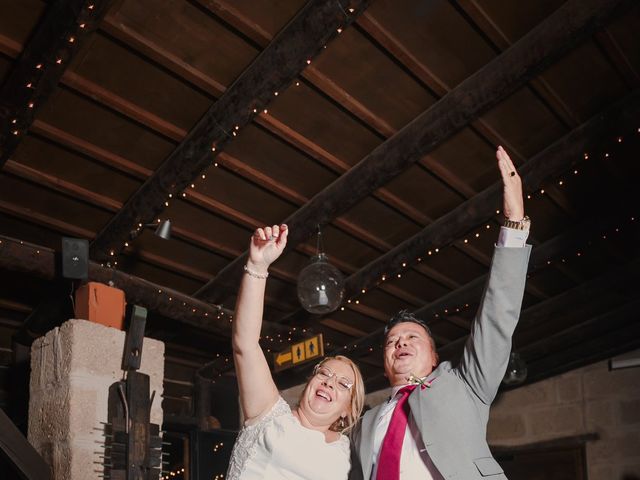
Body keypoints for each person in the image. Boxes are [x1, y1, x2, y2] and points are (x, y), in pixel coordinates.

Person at [349, 146, 532, 480]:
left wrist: (514, 225)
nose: (400, 343)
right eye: (392, 341)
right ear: (384, 364)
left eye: (411, 337)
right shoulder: (364, 425)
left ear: (434, 356)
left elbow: (496, 318)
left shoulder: (466, 385)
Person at [227, 223, 365, 480]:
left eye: (344, 384)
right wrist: (258, 267)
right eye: (324, 373)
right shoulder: (269, 413)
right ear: (310, 382)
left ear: (348, 409)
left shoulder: (349, 454)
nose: (329, 382)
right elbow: (245, 345)